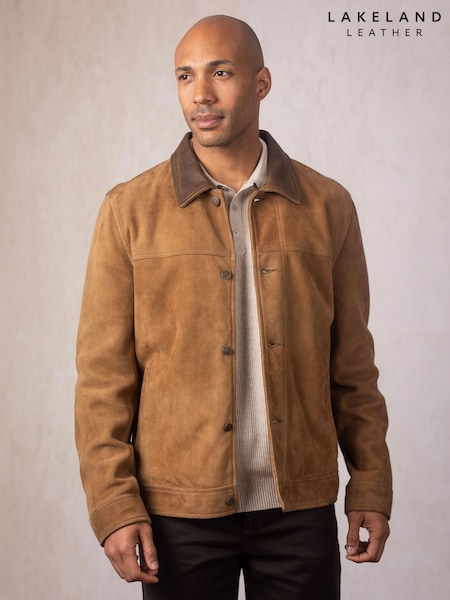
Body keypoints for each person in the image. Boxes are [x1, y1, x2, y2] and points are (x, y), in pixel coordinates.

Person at [75, 14, 392, 600]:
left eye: (220, 73)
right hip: (178, 513)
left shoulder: (328, 206)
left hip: (299, 509)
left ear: (261, 83)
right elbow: (103, 378)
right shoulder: (129, 210)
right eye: (185, 76)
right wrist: (113, 503)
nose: (200, 93)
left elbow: (352, 365)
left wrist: (370, 483)